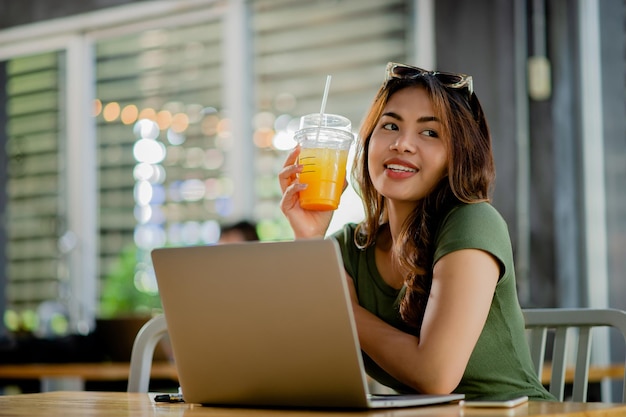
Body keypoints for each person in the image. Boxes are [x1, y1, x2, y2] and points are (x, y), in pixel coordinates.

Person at [278, 62, 555, 400]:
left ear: (458, 155)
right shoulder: (349, 248)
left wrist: (343, 311)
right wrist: (308, 239)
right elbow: (302, 368)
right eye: (390, 125)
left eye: (430, 132)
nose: (402, 144)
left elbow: (435, 375)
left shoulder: (473, 222)